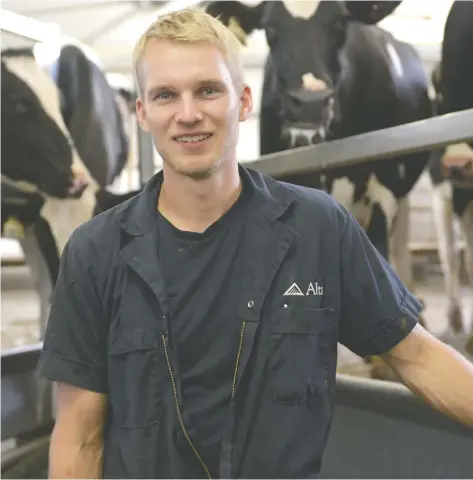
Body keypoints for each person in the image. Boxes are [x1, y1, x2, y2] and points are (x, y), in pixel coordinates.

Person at [37, 7, 473, 479]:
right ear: (143, 113)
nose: (188, 114)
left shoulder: (318, 228)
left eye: (208, 90)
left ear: (243, 102)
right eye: (166, 96)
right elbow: (80, 436)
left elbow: (419, 356)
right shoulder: (94, 252)